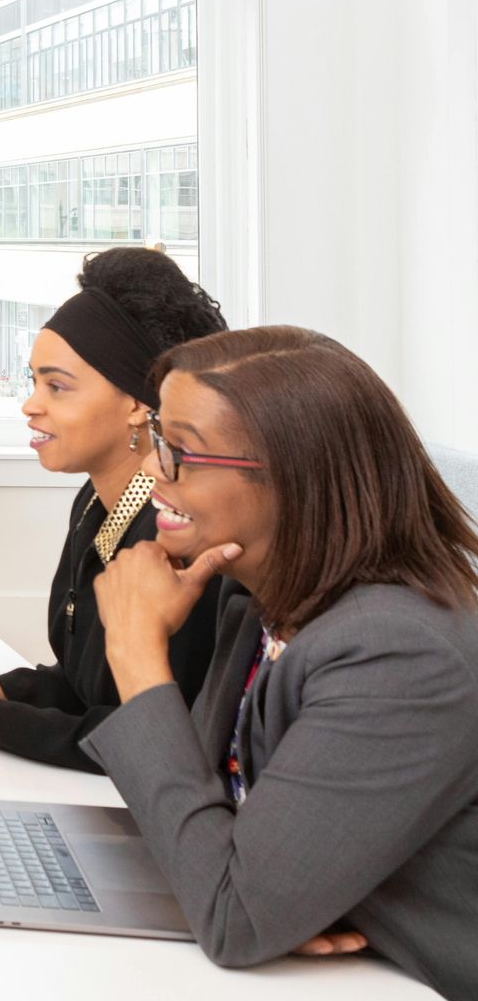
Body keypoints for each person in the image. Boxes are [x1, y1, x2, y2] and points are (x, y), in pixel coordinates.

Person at [86, 327, 478, 991]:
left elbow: (235, 915)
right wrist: (270, 894)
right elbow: (215, 832)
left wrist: (137, 655)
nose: (152, 471)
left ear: (297, 480)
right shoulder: (257, 608)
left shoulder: (401, 654)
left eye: (181, 451)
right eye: (158, 440)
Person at [0, 249, 227, 771]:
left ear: (137, 404)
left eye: (56, 386)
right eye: (34, 382)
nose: (30, 405)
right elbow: (80, 685)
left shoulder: (178, 533)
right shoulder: (94, 506)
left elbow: (140, 735)